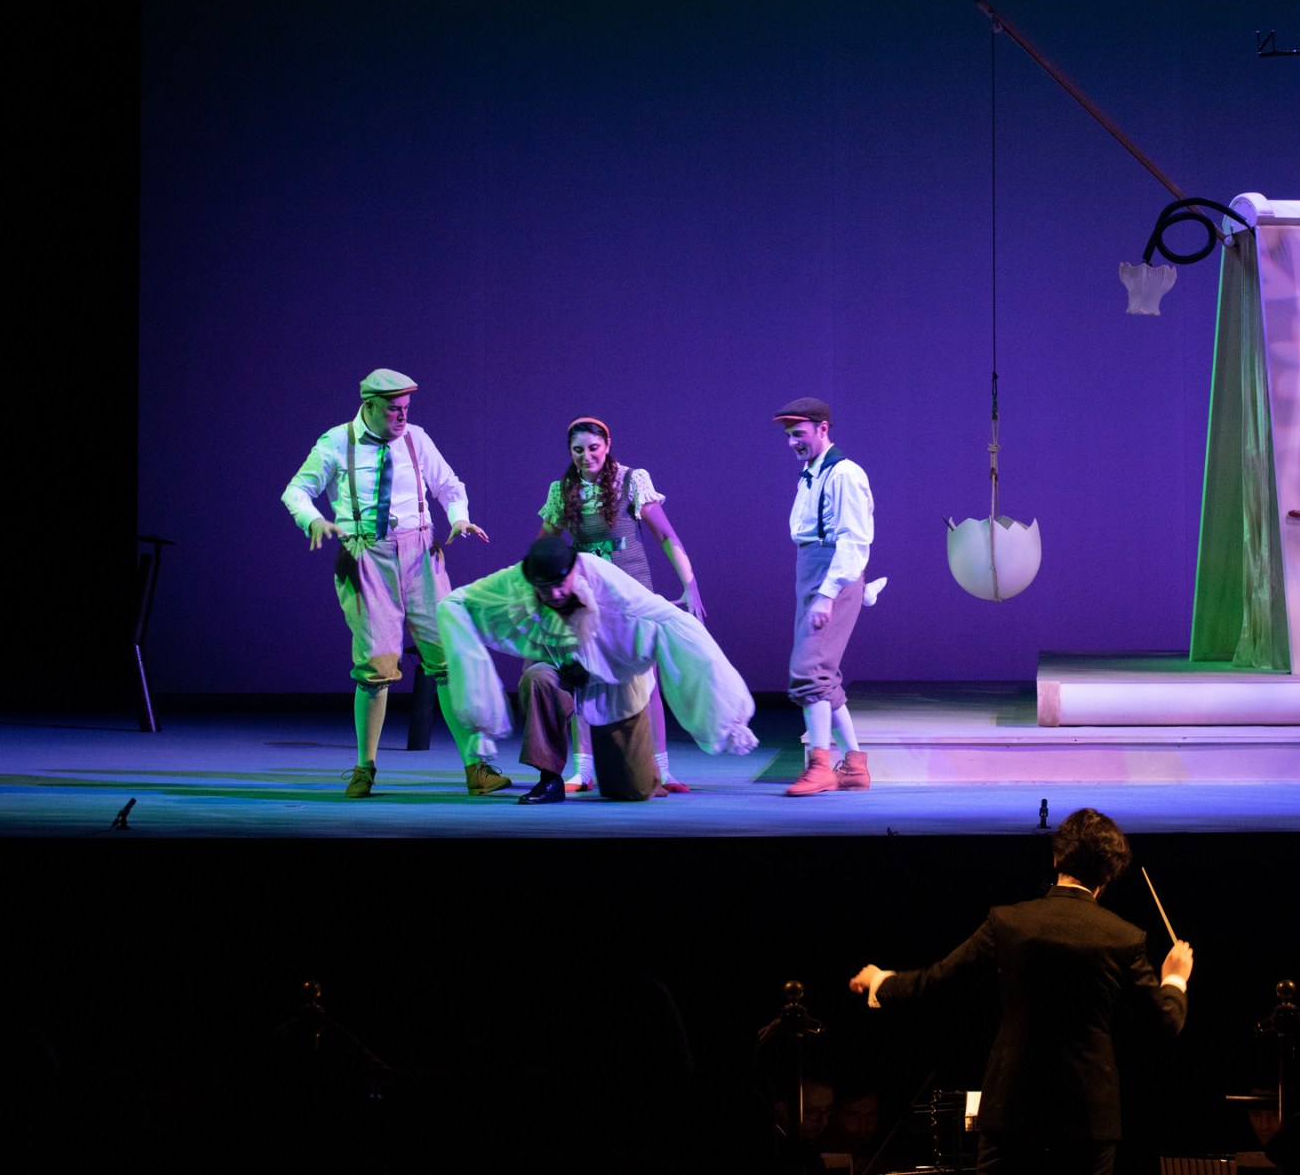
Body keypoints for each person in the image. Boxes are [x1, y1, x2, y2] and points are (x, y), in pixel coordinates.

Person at [849, 808, 1194, 1175]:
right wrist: (1175, 978)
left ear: (1057, 857)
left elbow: (938, 982)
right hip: (1086, 1123)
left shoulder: (1009, 921)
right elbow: (1164, 1022)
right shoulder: (1125, 937)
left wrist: (882, 983)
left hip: (1011, 1114)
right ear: (1109, 874)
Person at [281, 368, 504, 798]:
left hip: (421, 553)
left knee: (446, 658)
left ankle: (476, 768)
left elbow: (448, 485)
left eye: (406, 408)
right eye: (393, 409)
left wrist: (459, 518)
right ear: (368, 405)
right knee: (375, 665)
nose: (402, 417)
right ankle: (364, 768)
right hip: (367, 554)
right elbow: (296, 491)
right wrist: (313, 520)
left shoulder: (416, 439)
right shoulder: (336, 442)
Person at [436, 537, 757, 804]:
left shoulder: (605, 578)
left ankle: (637, 768)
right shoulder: (516, 581)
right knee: (536, 679)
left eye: (560, 584)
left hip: (616, 678)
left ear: (574, 570)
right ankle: (549, 778)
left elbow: (669, 620)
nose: (555, 594)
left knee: (632, 790)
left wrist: (728, 715)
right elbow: (456, 602)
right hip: (561, 669)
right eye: (544, 588)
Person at [537, 416, 705, 794]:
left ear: (607, 445)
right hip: (587, 597)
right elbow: (544, 547)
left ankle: (661, 769)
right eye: (578, 450)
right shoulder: (562, 491)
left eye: (593, 448)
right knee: (584, 679)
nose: (586, 456)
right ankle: (582, 771)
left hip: (632, 593)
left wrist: (690, 585)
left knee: (647, 681)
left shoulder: (632, 481)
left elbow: (666, 535)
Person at [774, 396, 882, 796]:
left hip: (829, 571)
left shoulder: (845, 474)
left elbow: (854, 540)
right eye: (789, 436)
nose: (792, 442)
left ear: (823, 429)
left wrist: (828, 594)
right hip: (811, 569)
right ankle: (854, 765)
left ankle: (820, 766)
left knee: (810, 671)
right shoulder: (810, 473)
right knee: (823, 676)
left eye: (798, 434)